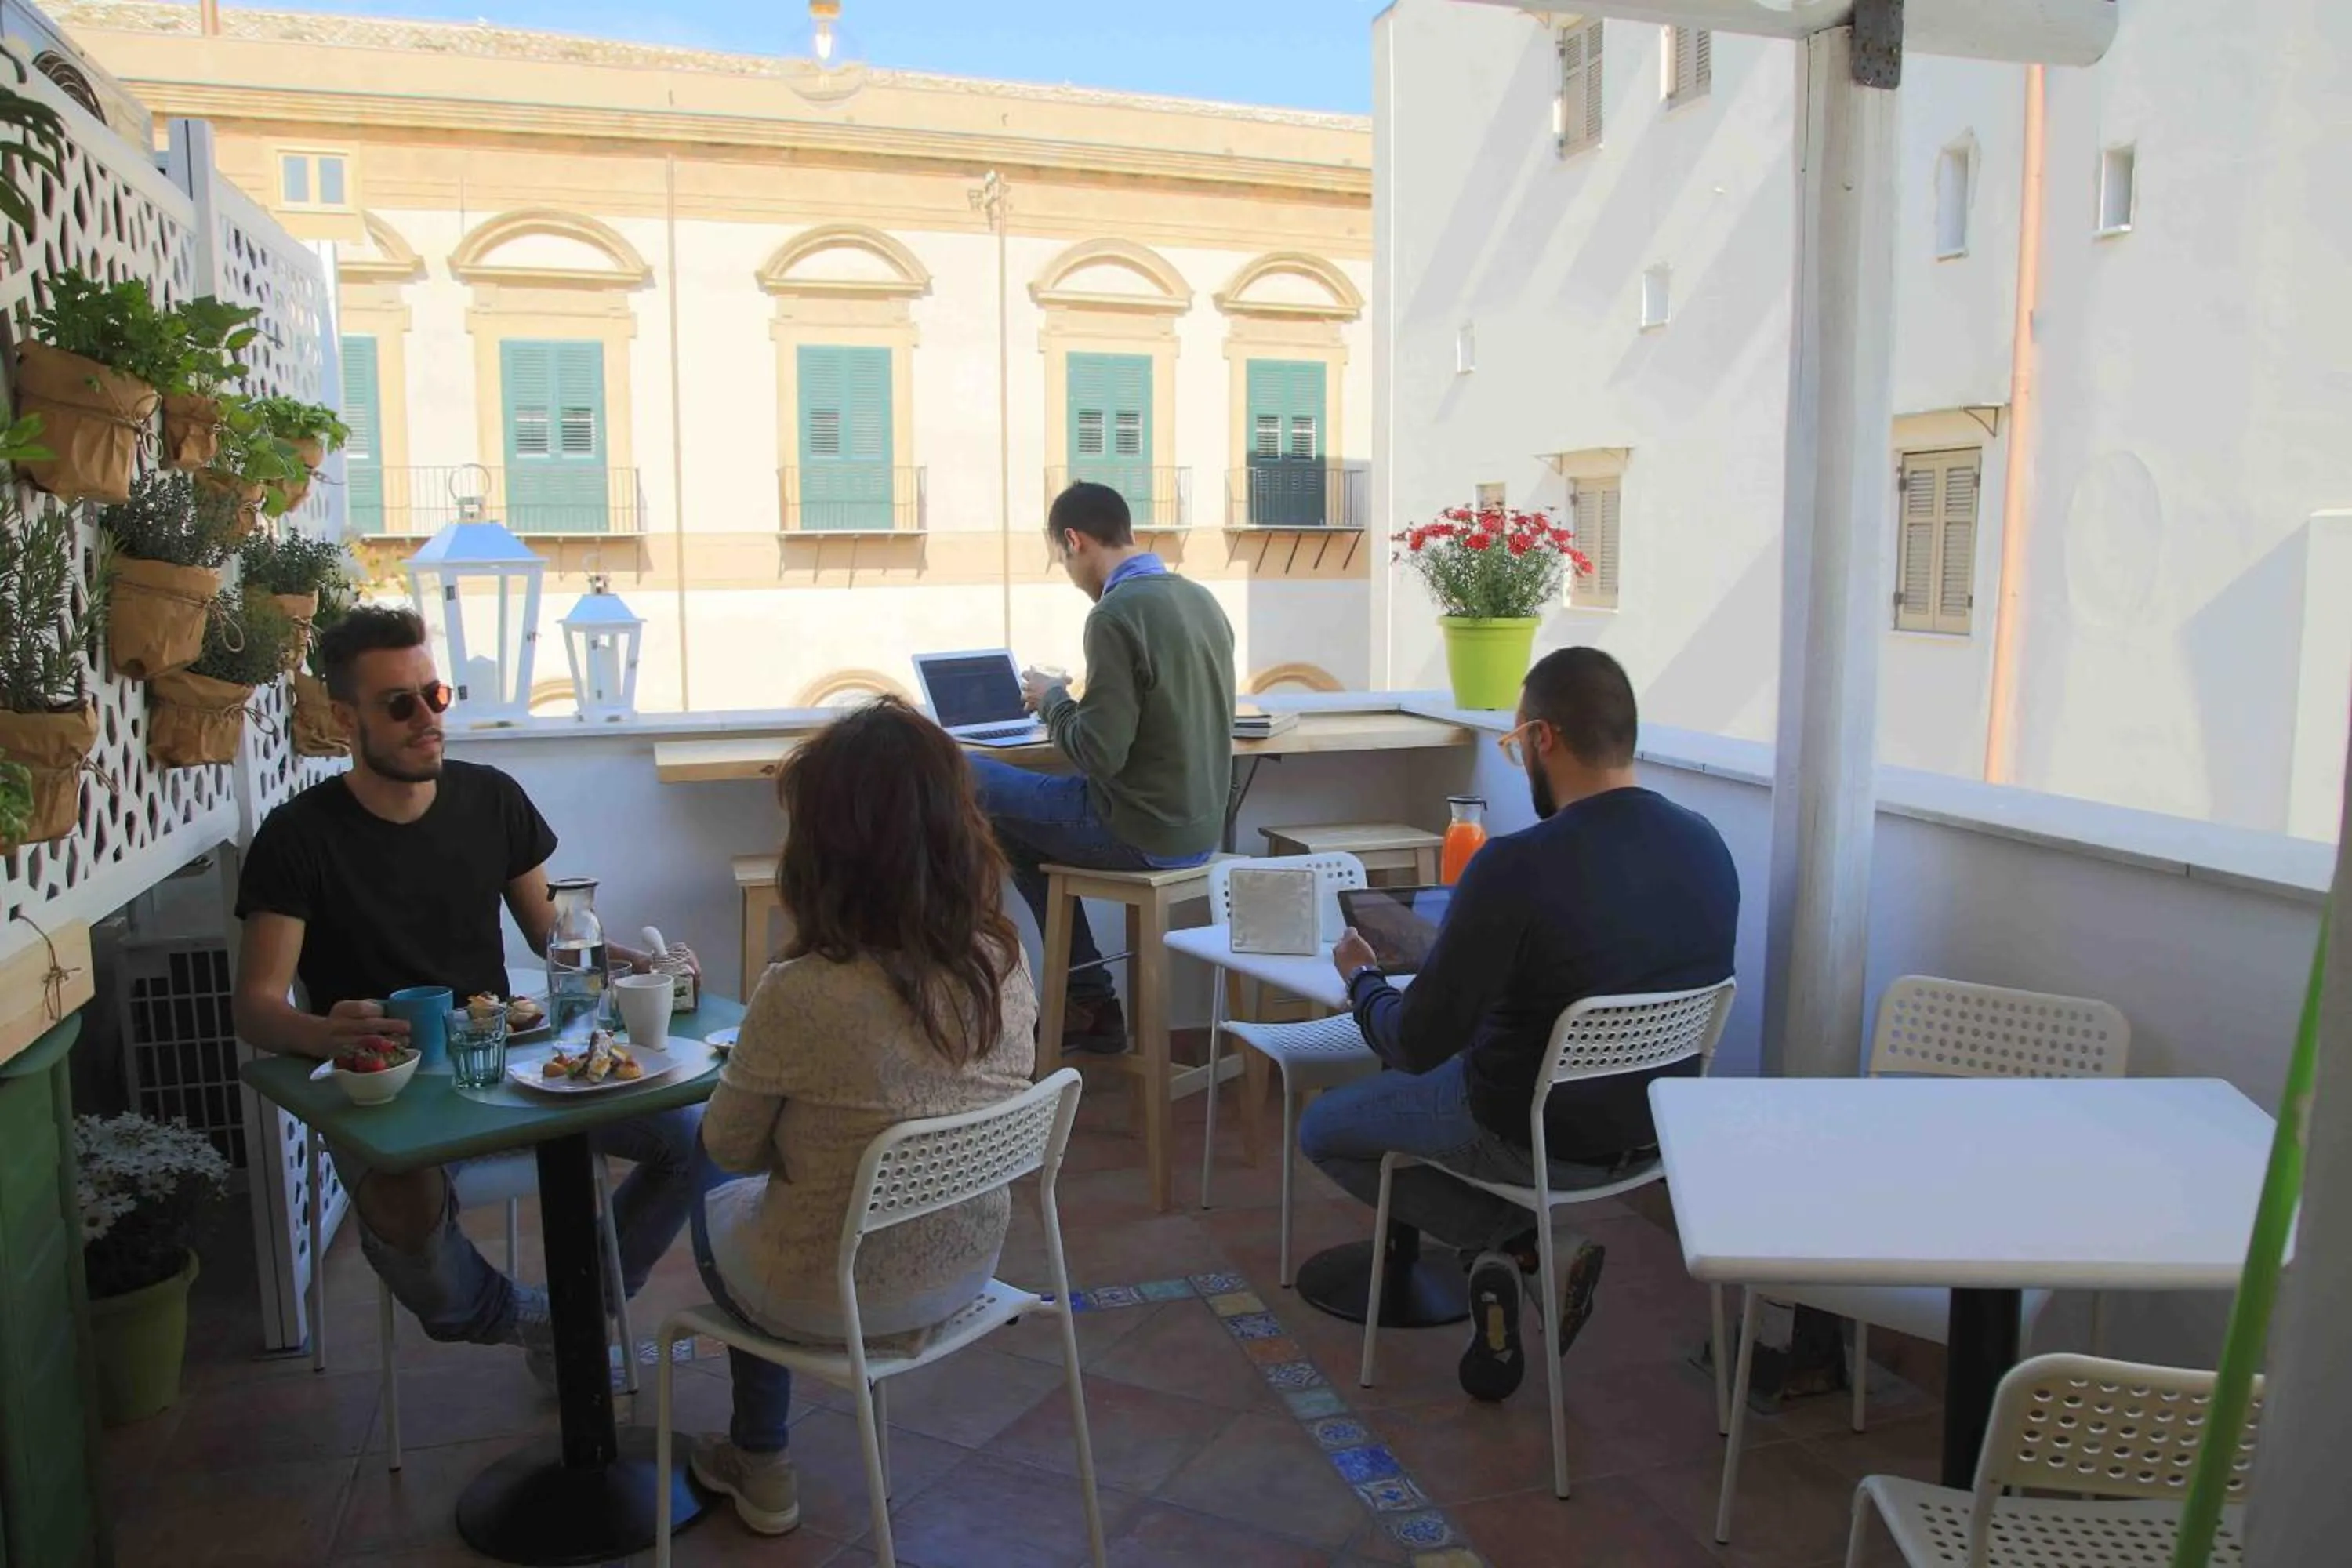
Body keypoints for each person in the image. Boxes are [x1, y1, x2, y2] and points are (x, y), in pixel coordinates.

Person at [230, 605, 699, 1374]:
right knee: (404, 1200)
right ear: (347, 717)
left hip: (510, 1068)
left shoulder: (491, 799)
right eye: (399, 703)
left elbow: (553, 935)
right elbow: (256, 1006)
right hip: (393, 1094)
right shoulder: (299, 837)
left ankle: (582, 1313)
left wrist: (640, 963)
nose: (426, 718)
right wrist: (325, 1031)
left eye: (435, 694)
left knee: (691, 1135)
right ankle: (543, 1323)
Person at [1299, 647, 1738, 1403]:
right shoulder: (1706, 842)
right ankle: (1510, 1261)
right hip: (1655, 1133)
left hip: (1526, 1130)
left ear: (1544, 739)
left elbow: (1412, 1044)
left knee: (1325, 1128)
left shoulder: (1517, 865)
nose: (1515, 762)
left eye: (1511, 745)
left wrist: (1361, 979)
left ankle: (1517, 1244)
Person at [685, 698, 1037, 1536]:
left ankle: (760, 1457)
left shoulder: (805, 989)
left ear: (825, 849)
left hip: (829, 1295)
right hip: (967, 1272)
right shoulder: (1002, 956)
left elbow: (728, 1146)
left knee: (696, 1159)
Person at [971, 480, 1236, 1054]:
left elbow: (1097, 753)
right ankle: (1088, 1003)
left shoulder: (1115, 615)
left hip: (1139, 832)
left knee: (960, 770)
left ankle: (1069, 1000)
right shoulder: (1199, 601)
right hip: (1199, 832)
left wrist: (1053, 699)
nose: (1068, 573)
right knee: (1011, 826)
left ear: (1075, 541)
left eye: (1062, 559)